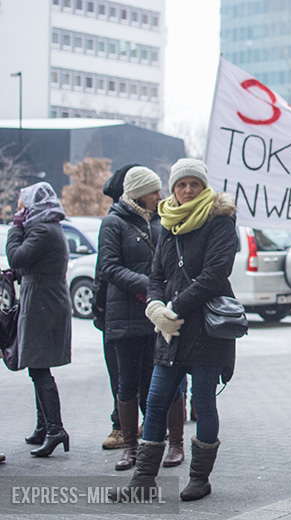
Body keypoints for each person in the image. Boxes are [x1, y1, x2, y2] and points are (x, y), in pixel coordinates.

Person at [111, 158, 238, 502]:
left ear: (203, 186)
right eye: (181, 185)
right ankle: (143, 481)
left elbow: (214, 275)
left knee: (203, 402)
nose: (186, 190)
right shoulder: (168, 221)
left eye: (193, 184)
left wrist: (173, 307)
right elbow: (156, 275)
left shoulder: (220, 220)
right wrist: (155, 306)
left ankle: (200, 478)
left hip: (206, 331)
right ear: (173, 189)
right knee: (155, 402)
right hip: (170, 329)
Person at [98, 166, 186, 471]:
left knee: (164, 380)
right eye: (154, 191)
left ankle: (168, 444)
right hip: (125, 315)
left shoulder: (162, 222)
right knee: (127, 383)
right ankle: (131, 450)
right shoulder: (113, 223)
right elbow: (108, 268)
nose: (160, 196)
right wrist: (149, 285)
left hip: (157, 315)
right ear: (138, 193)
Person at [6, 182, 72, 457]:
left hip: (43, 301)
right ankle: (43, 426)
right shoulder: (48, 226)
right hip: (44, 298)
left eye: (22, 203)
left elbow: (15, 257)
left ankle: (55, 429)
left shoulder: (42, 229)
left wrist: (14, 227)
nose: (19, 207)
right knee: (37, 363)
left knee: (39, 366)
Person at [93, 163, 140, 451]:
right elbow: (105, 268)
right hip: (118, 310)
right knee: (122, 374)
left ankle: (129, 430)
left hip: (133, 310)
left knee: (130, 374)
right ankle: (122, 427)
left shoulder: (151, 221)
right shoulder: (115, 221)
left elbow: (105, 269)